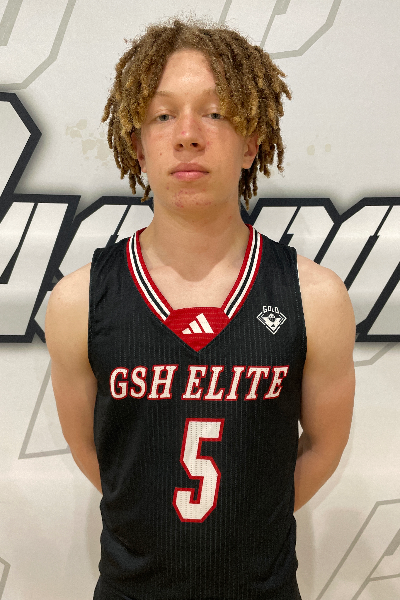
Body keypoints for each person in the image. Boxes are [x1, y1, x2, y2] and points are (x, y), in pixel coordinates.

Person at [45, 16, 356, 600]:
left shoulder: (315, 298)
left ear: (252, 143)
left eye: (215, 113)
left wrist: (245, 518)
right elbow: (98, 456)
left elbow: (323, 447)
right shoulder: (78, 301)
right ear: (137, 146)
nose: (188, 134)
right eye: (163, 115)